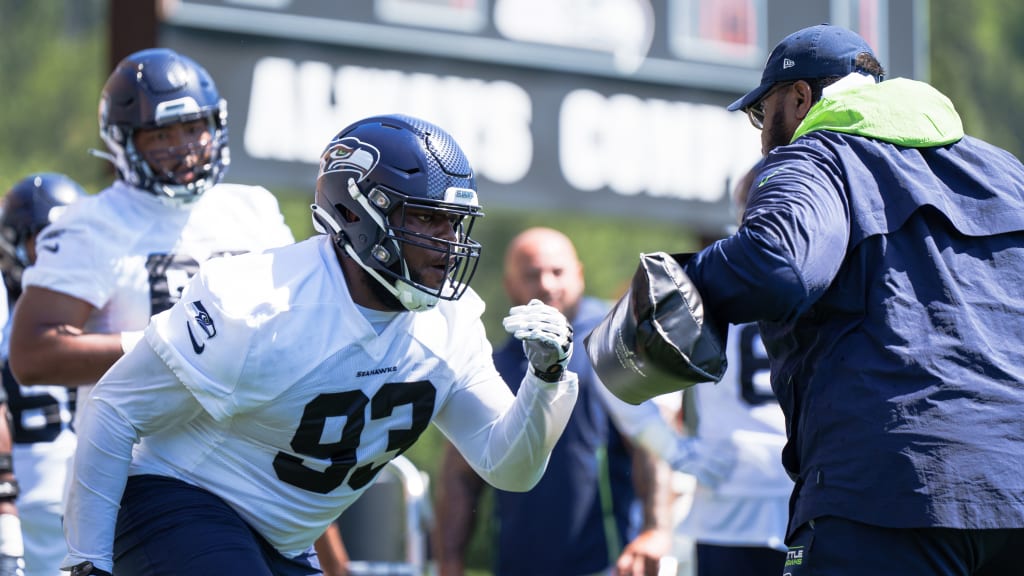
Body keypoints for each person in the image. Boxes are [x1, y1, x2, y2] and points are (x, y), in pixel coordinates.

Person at [56, 112, 578, 576]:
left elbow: (509, 467)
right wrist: (87, 562)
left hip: (283, 539)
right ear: (354, 214)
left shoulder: (452, 322)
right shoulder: (259, 303)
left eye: (454, 222)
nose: (446, 242)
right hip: (175, 498)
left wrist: (545, 380)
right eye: (425, 217)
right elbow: (114, 409)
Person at [673, 23, 1024, 575]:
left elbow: (778, 265)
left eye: (764, 116)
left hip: (889, 490)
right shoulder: (1001, 169)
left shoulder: (816, 156)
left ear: (800, 97)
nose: (764, 137)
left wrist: (680, 279)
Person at [435, 226, 674, 576]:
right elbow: (459, 475)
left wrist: (656, 530)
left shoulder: (611, 348)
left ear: (579, 274)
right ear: (510, 285)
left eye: (557, 272)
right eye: (532, 275)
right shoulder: (493, 364)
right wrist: (449, 561)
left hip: (605, 565)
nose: (547, 285)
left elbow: (649, 444)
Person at [0, 173, 86, 576]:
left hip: (94, 499)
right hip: (27, 500)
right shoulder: (10, 306)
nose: (59, 251)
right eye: (47, 239)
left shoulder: (98, 297)